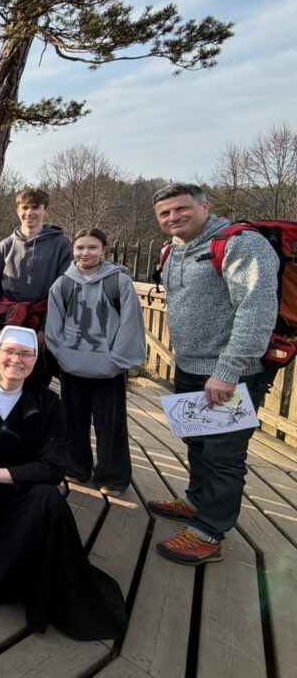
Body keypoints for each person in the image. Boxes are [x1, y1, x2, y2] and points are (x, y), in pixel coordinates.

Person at [0, 326, 127, 640]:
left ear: (36, 361)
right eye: (9, 351)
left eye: (26, 354)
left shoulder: (48, 403)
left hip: (16, 497)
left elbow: (53, 467)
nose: (16, 359)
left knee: (50, 500)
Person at [147, 183, 278, 565]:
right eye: (164, 213)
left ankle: (208, 531)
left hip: (229, 374)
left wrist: (228, 371)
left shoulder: (240, 244)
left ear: (205, 206)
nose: (173, 217)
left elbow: (256, 311)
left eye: (181, 209)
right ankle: (196, 501)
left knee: (223, 455)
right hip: (190, 367)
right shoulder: (173, 250)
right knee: (198, 444)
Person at [45, 228, 146, 496]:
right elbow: (53, 325)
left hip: (108, 368)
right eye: (80, 248)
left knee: (110, 424)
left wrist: (117, 360)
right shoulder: (63, 284)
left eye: (92, 247)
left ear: (103, 250)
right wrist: (63, 355)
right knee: (73, 420)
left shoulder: (119, 282)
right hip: (73, 366)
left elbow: (130, 324)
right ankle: (75, 466)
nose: (85, 253)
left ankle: (112, 476)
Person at [0, 188, 72, 386]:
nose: (29, 212)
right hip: (7, 319)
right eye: (24, 208)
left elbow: (62, 291)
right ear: (18, 211)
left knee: (36, 380)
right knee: (2, 374)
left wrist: (46, 329)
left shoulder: (61, 244)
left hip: (39, 320)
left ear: (45, 210)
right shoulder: (5, 245)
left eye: (35, 207)